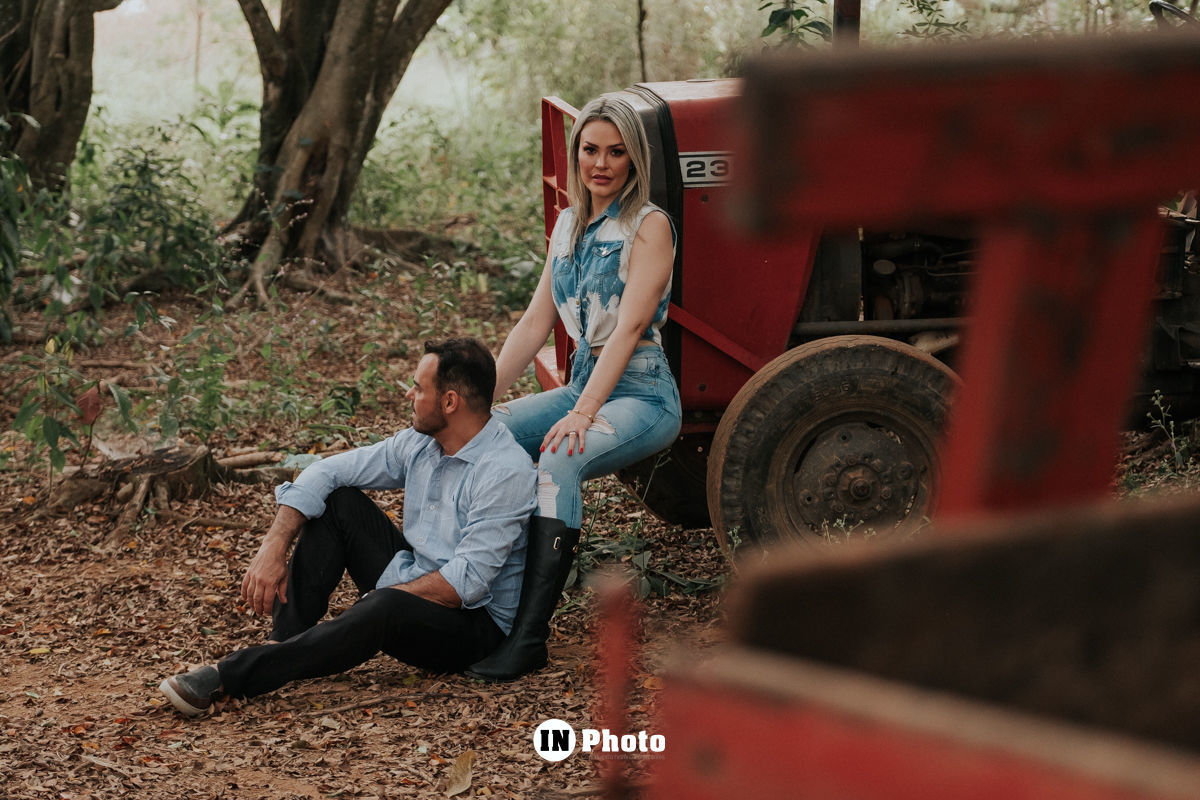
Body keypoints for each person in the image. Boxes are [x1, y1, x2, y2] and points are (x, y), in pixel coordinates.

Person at [159, 338, 536, 716]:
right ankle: (282, 645)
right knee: (336, 501)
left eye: (420, 388)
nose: (409, 394)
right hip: (416, 581)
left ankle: (233, 674)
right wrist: (273, 546)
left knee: (385, 604)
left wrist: (380, 601)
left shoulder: (503, 471)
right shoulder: (421, 444)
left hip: (473, 625)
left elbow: (462, 585)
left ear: (450, 402)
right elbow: (328, 470)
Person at [465, 96, 682, 682]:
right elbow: (535, 322)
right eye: (590, 150)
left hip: (642, 392)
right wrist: (479, 406)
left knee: (559, 460)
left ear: (634, 159)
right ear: (575, 154)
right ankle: (482, 601)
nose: (602, 163)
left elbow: (632, 325)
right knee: (494, 435)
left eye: (616, 152)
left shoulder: (649, 225)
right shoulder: (567, 223)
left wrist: (583, 413)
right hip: (584, 382)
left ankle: (528, 638)